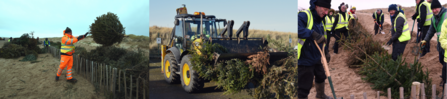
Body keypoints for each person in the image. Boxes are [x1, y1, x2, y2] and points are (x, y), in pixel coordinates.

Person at [297, 0, 332, 98]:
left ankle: (320, 95)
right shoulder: (304, 16)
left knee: (321, 76)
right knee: (304, 87)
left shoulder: (321, 20)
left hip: (316, 57)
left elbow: (322, 39)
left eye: (327, 10)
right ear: (316, 6)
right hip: (304, 59)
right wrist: (311, 33)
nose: (326, 13)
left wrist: (325, 51)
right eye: (325, 9)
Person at [422, 0, 447, 88]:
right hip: (440, 44)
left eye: (435, 8)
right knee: (441, 60)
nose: (434, 10)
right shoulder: (434, 18)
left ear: (440, 7)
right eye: (432, 9)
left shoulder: (446, 15)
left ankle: (445, 80)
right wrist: (425, 40)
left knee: (445, 64)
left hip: (446, 45)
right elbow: (431, 31)